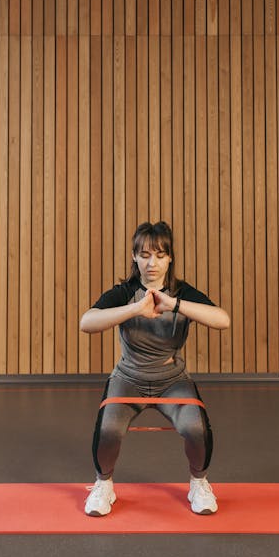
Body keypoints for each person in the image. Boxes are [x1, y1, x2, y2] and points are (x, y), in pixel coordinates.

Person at [80, 221, 230, 516]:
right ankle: (103, 485)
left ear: (170, 258)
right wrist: (137, 308)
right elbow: (86, 322)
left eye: (160, 255)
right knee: (108, 429)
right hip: (128, 378)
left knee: (195, 428)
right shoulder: (124, 292)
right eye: (145, 255)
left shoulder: (182, 292)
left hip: (172, 379)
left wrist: (174, 305)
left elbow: (222, 319)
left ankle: (198, 484)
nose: (152, 263)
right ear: (135, 257)